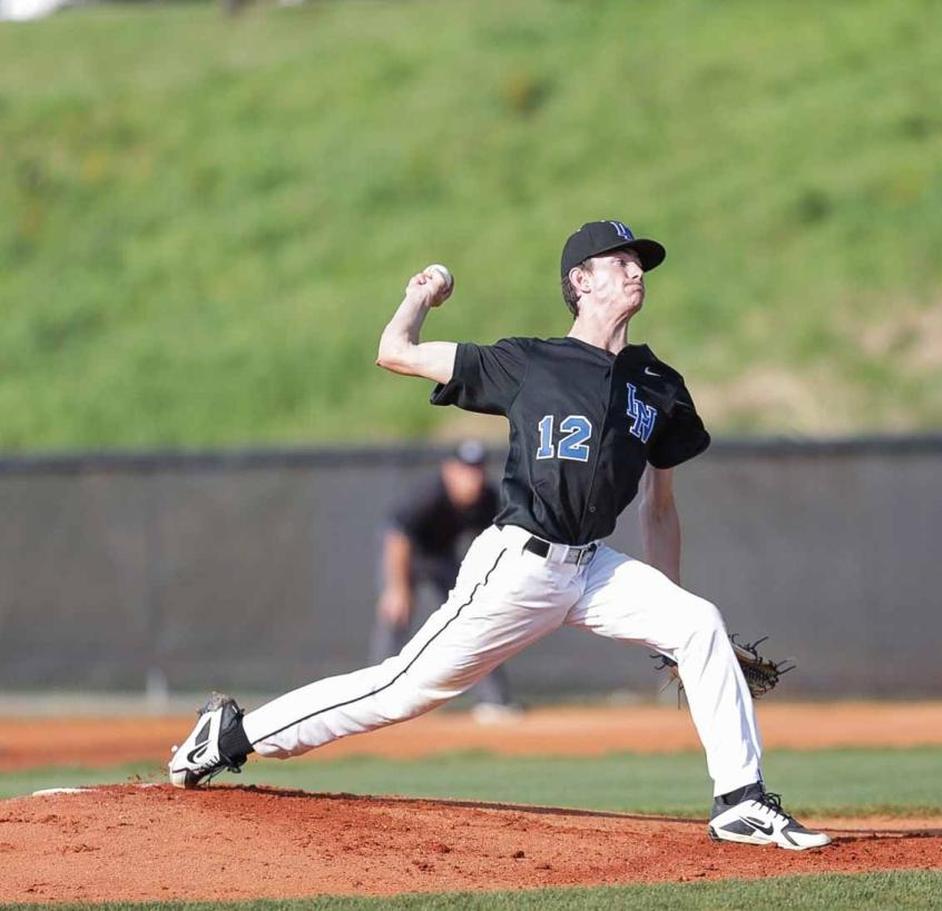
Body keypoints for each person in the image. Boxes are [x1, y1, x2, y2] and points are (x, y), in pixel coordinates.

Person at [168, 219, 830, 850]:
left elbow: (659, 508)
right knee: (401, 689)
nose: (636, 271)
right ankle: (231, 736)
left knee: (697, 622)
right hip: (520, 564)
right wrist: (418, 296)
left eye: (640, 263)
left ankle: (739, 801)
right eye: (621, 261)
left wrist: (670, 627)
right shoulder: (530, 362)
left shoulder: (658, 385)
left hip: (593, 569)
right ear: (581, 281)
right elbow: (394, 352)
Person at [372, 439, 519, 720]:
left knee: (475, 619)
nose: (472, 478)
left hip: (442, 557)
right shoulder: (428, 493)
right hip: (407, 556)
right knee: (395, 617)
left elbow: (497, 539)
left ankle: (494, 701)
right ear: (449, 470)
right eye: (465, 470)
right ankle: (379, 700)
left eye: (477, 470)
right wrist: (397, 589)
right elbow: (397, 538)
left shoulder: (487, 498)